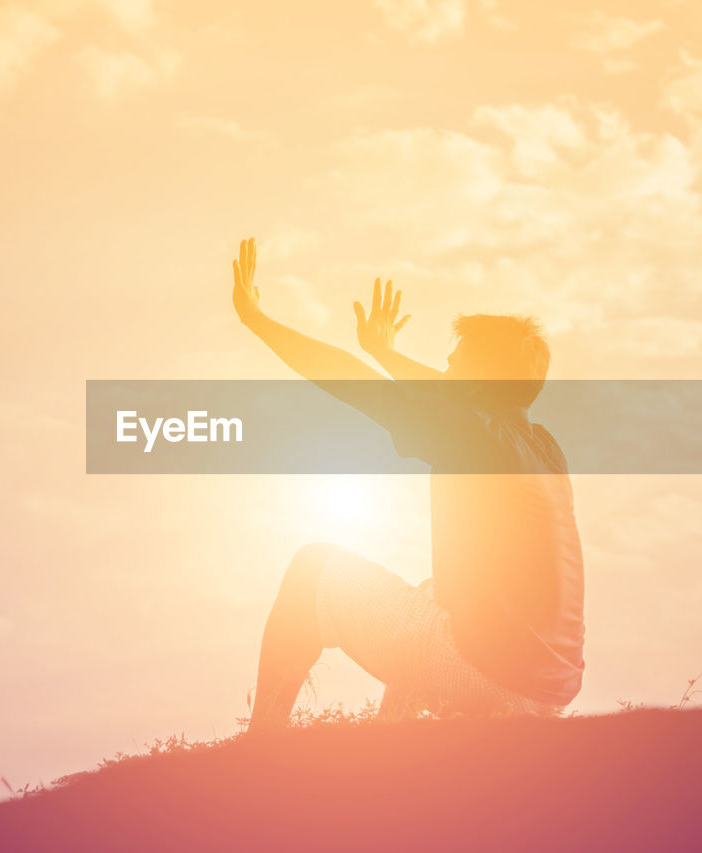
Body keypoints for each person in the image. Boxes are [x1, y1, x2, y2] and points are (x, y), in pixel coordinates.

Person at [231, 237, 585, 731]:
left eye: (453, 363)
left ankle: (261, 744)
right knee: (433, 592)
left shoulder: (471, 435)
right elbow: (445, 393)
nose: (443, 370)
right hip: (549, 691)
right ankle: (391, 739)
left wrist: (258, 321)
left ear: (477, 377)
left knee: (312, 567)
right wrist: (385, 352)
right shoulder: (544, 448)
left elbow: (346, 377)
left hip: (487, 679)